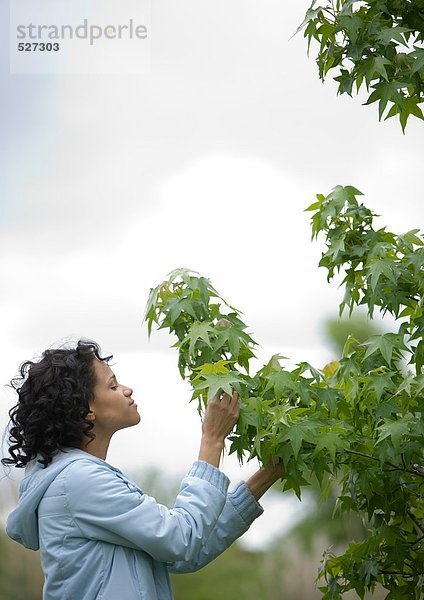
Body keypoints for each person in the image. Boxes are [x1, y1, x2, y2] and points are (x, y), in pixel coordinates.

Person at [3, 339, 282, 600]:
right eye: (112, 386)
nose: (127, 389)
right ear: (86, 409)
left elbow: (181, 555)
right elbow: (180, 538)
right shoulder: (78, 481)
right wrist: (212, 440)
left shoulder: (80, 479)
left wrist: (266, 475)